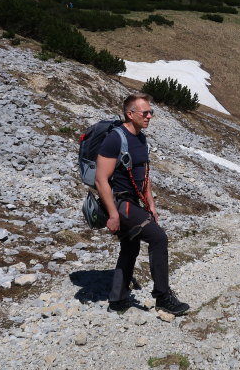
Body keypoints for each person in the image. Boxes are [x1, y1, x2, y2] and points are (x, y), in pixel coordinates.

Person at [95, 93, 189, 316]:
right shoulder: (115, 139)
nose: (149, 116)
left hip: (134, 202)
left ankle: (117, 299)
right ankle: (163, 297)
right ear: (130, 114)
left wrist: (151, 206)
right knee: (158, 238)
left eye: (150, 112)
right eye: (145, 112)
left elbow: (144, 176)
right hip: (119, 203)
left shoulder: (141, 138)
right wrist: (112, 214)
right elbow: (100, 179)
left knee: (131, 246)